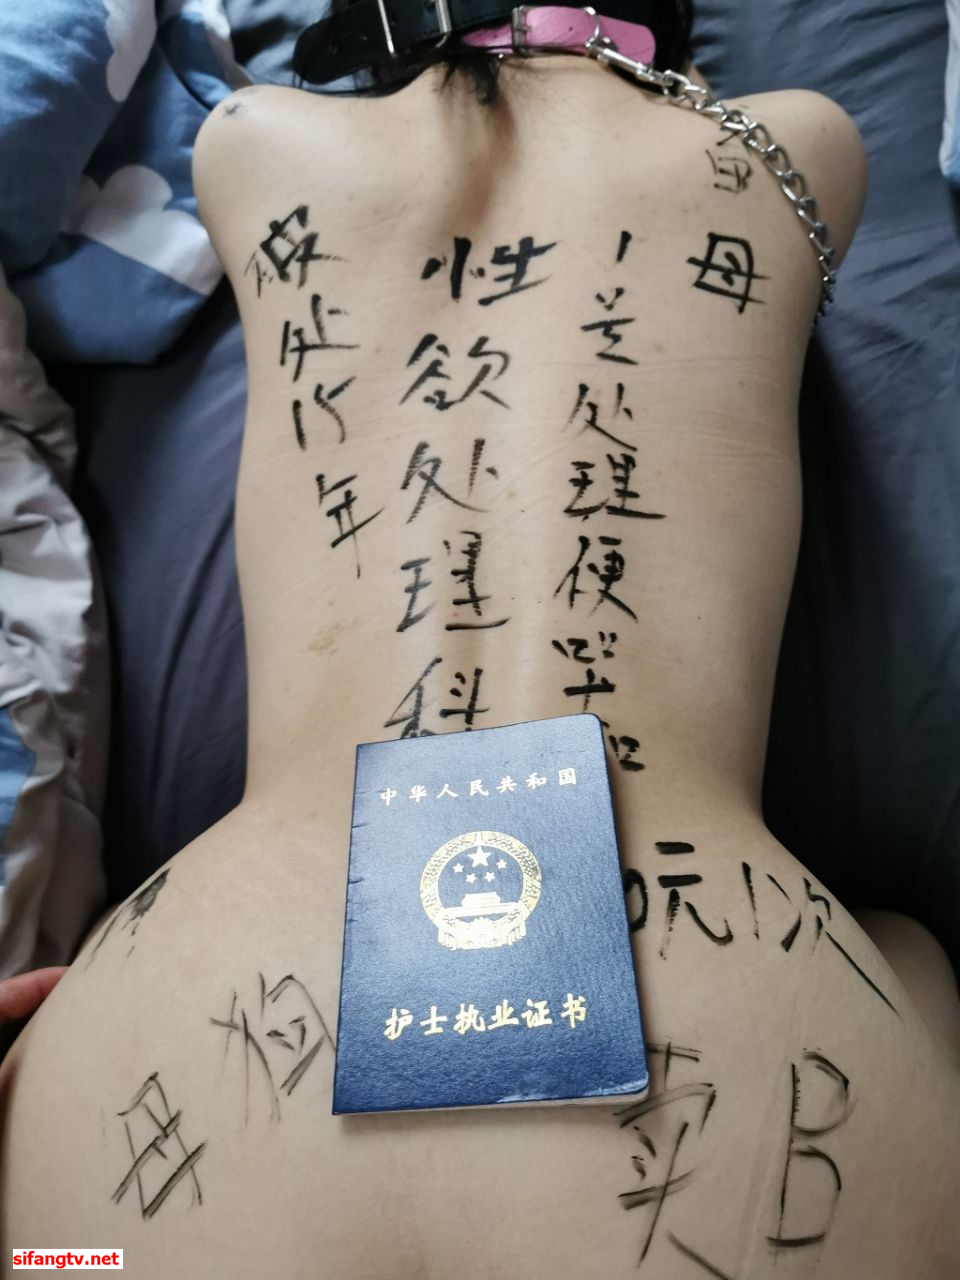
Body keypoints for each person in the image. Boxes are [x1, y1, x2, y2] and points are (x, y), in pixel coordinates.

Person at [1, 4, 958, 1276]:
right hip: (743, 1004)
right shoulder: (798, 139)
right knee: (913, 957)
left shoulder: (252, 135)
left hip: (194, 1035)